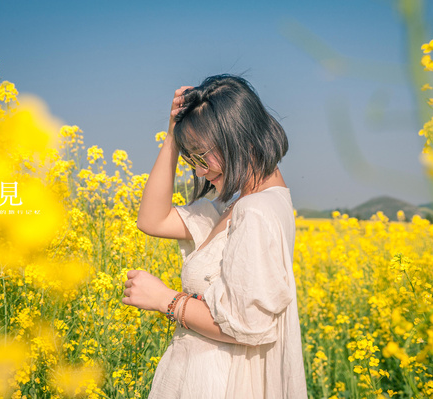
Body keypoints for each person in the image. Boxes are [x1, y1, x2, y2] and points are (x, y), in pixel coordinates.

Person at [122, 75, 307, 399]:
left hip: (220, 384)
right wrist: (172, 138)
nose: (197, 171)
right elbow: (152, 220)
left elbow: (245, 324)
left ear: (237, 136)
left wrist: (165, 299)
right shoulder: (243, 207)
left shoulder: (254, 212)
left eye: (201, 155)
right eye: (189, 158)